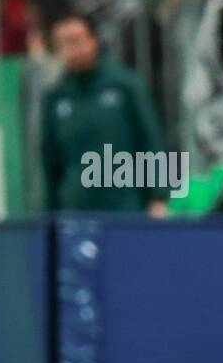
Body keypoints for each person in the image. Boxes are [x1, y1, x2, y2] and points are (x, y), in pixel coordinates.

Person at [40, 11, 169, 214]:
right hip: (76, 209)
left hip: (124, 205)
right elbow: (50, 161)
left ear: (92, 40)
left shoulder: (125, 84)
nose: (70, 50)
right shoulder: (56, 97)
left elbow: (151, 141)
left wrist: (158, 196)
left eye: (75, 41)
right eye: (62, 44)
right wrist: (50, 211)